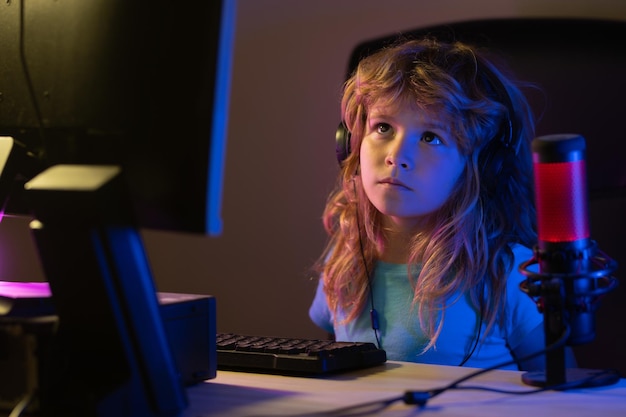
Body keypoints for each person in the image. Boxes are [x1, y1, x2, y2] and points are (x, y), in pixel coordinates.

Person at [309, 37, 574, 371]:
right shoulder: (345, 260)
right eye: (384, 127)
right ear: (351, 142)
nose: (396, 156)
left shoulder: (509, 274)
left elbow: (568, 394)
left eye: (430, 137)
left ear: (480, 164)